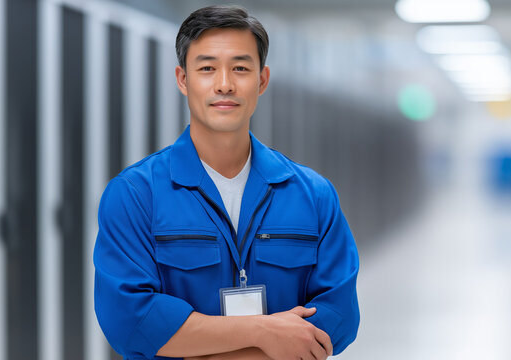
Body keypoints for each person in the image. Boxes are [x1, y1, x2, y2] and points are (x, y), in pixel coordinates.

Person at [93, 5, 360, 360]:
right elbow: (132, 321)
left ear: (262, 80)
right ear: (183, 79)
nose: (224, 84)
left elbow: (339, 316)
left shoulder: (313, 195)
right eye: (206, 68)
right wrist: (263, 334)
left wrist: (202, 347)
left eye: (240, 68)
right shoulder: (135, 195)